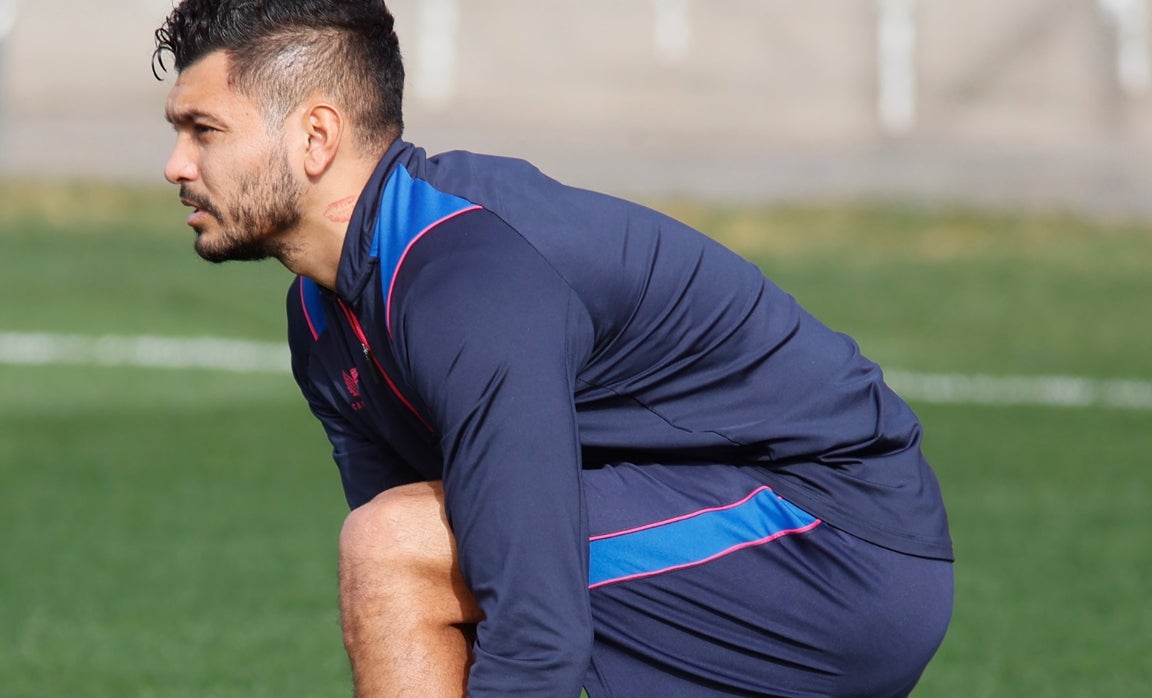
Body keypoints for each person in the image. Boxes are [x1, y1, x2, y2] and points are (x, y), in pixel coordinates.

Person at [153, 1, 954, 695]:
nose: (175, 165)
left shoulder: (468, 280)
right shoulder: (323, 317)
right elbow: (457, 601)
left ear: (316, 136)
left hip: (837, 543)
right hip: (735, 524)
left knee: (391, 552)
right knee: (404, 547)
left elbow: (533, 632)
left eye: (205, 130)